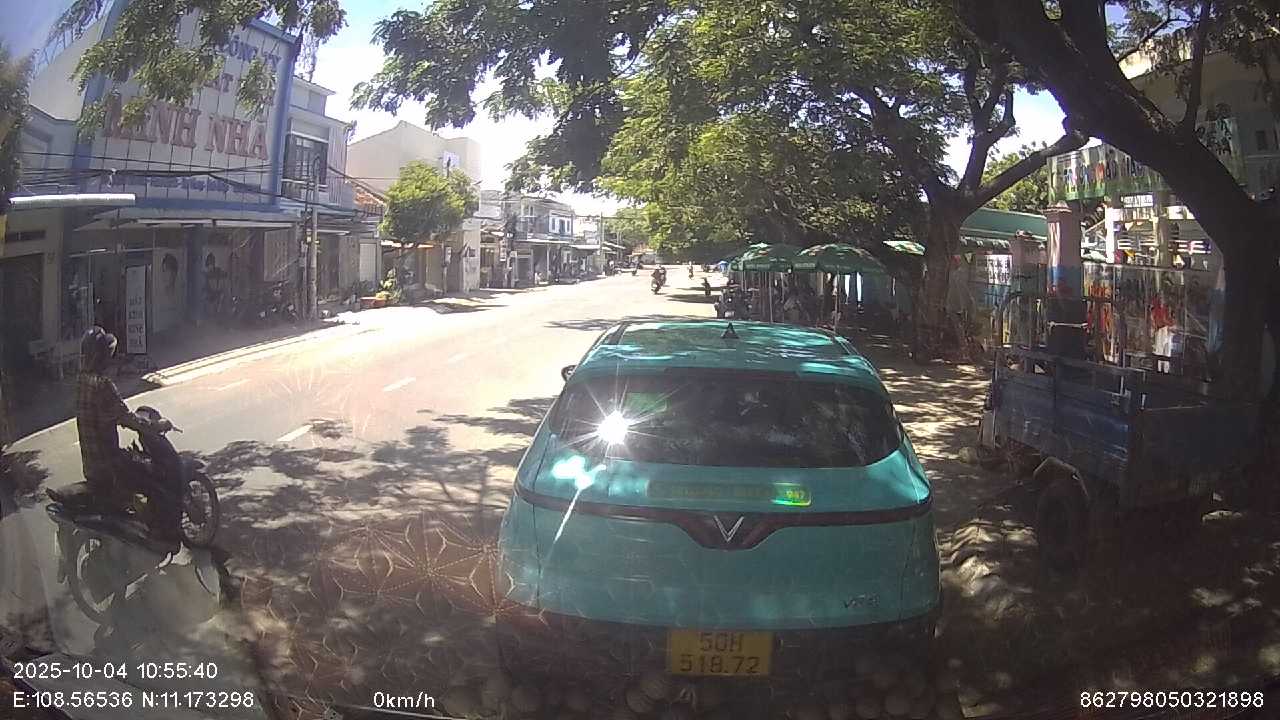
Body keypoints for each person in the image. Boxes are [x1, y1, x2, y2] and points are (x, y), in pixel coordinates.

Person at [77, 326, 181, 543]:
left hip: (90, 464)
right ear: (102, 358)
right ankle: (158, 536)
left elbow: (105, 415)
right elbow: (128, 419)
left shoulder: (82, 381)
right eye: (108, 355)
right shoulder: (103, 386)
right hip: (109, 464)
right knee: (154, 477)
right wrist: (157, 426)